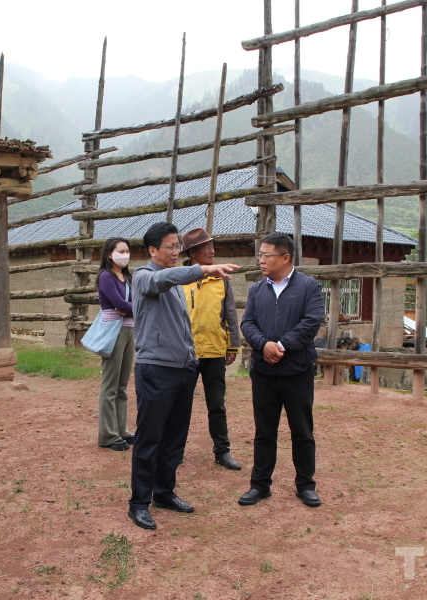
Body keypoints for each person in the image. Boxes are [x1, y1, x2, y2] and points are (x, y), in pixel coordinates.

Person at [127, 222, 238, 530]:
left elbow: (182, 324)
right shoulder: (144, 277)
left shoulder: (175, 282)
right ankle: (138, 503)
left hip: (182, 369)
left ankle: (164, 493)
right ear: (152, 250)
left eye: (178, 246)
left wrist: (191, 358)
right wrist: (203, 269)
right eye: (171, 246)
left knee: (175, 438)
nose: (176, 252)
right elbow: (164, 279)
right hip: (155, 369)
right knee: (149, 438)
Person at [239, 233, 325, 508]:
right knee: (264, 432)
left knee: (302, 431)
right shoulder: (256, 290)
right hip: (264, 372)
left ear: (285, 257)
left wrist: (282, 345)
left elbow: (312, 322)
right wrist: (264, 345)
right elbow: (247, 323)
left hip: (297, 371)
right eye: (260, 255)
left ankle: (306, 485)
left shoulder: (309, 287)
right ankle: (260, 485)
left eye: (267, 255)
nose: (261, 261)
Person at [181, 227, 242, 471]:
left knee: (216, 405)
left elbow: (230, 314)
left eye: (212, 246)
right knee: (180, 405)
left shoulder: (221, 278)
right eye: (206, 247)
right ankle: (175, 450)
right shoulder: (179, 278)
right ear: (192, 253)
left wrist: (233, 346)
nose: (212, 250)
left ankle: (222, 451)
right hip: (185, 353)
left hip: (215, 350)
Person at [96, 237, 136, 451]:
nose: (125, 255)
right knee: (110, 385)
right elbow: (119, 304)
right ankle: (108, 435)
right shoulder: (106, 276)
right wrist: (133, 307)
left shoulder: (127, 277)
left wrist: (131, 308)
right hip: (114, 330)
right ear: (110, 254)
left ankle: (122, 430)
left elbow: (133, 304)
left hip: (129, 330)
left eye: (127, 251)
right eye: (121, 251)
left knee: (122, 386)